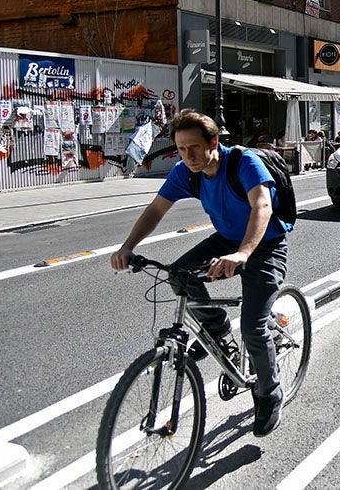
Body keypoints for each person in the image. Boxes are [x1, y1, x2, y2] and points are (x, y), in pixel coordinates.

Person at [110, 110, 290, 437]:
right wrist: (128, 247)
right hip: (226, 238)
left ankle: (269, 393)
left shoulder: (244, 163)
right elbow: (155, 210)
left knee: (252, 326)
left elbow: (261, 206)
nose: (188, 156)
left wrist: (242, 253)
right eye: (180, 149)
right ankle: (218, 328)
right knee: (179, 273)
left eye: (194, 147)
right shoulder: (185, 173)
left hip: (265, 244)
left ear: (213, 143)